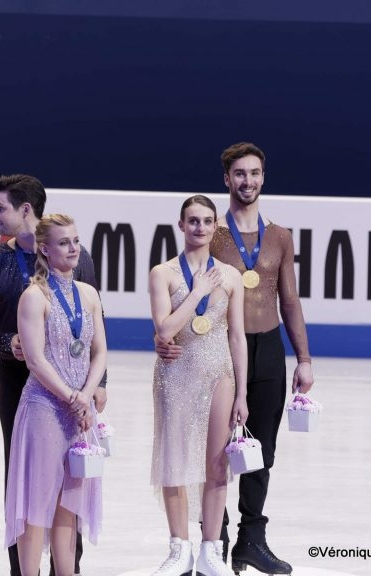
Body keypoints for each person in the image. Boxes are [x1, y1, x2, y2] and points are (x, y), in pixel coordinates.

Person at [156, 142, 314, 575]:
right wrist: (167, 340)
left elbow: (290, 299)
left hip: (266, 350)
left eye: (255, 173)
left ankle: (251, 539)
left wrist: (303, 357)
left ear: (264, 177)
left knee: (261, 448)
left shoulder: (279, 236)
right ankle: (214, 538)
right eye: (239, 174)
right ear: (227, 179)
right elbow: (182, 292)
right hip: (219, 352)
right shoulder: (213, 232)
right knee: (216, 451)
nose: (248, 181)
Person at [0, 174, 106, 576]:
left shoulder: (82, 264)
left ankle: (69, 567)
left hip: (77, 386)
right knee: (28, 485)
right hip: (24, 386)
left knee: (71, 485)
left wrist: (97, 386)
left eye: (0, 207)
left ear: (25, 209)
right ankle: (22, 569)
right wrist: (5, 341)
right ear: (49, 247)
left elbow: (93, 329)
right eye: (65, 243)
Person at [148, 195, 248, 576]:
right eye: (193, 221)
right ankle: (179, 549)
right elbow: (166, 328)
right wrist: (198, 292)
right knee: (174, 459)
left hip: (218, 373)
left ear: (215, 226)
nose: (200, 228)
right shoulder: (164, 273)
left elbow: (236, 336)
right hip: (175, 374)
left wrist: (242, 392)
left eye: (207, 221)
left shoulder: (232, 276)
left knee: (217, 463)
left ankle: (210, 550)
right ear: (181, 225)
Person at [5, 213, 106, 576]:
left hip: (78, 411)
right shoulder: (34, 297)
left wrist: (88, 394)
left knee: (69, 507)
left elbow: (100, 352)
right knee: (37, 507)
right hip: (45, 409)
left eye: (76, 241)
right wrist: (72, 397)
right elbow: (34, 359)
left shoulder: (89, 294)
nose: (73, 248)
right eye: (64, 243)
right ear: (44, 249)